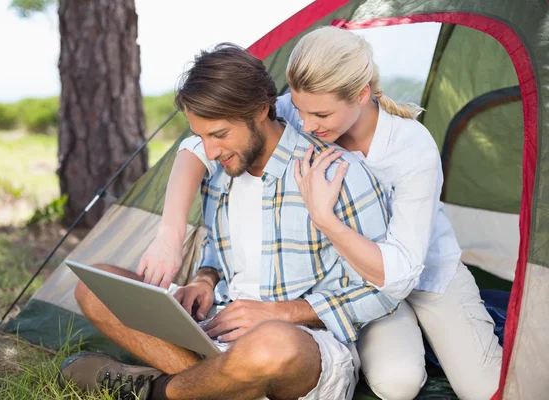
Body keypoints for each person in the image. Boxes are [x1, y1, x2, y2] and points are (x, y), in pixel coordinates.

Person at [137, 27, 502, 400]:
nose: (306, 125)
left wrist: (324, 218)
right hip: (354, 276)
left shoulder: (411, 146)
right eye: (298, 109)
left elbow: (396, 276)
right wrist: (170, 234)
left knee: (484, 387)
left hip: (414, 273)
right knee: (398, 380)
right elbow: (197, 146)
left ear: (361, 95)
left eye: (321, 114)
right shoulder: (294, 110)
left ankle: (476, 328)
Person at [59, 43, 399, 400]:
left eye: (218, 134)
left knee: (272, 345)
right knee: (95, 286)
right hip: (218, 326)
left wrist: (279, 313)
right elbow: (220, 252)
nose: (209, 151)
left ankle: (157, 391)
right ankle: (216, 387)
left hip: (300, 345)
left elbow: (383, 290)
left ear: (261, 110)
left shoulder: (338, 173)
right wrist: (205, 281)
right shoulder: (222, 171)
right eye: (201, 136)